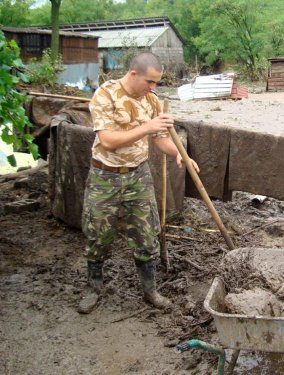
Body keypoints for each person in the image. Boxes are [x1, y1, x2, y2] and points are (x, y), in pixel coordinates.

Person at [78, 52, 199, 314]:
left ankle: (150, 291)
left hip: (138, 175)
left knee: (146, 236)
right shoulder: (105, 95)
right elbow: (108, 140)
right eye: (149, 82)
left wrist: (179, 153)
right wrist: (147, 127)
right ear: (133, 74)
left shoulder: (151, 101)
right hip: (104, 176)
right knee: (98, 235)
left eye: (157, 83)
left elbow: (159, 138)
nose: (153, 88)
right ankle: (93, 288)